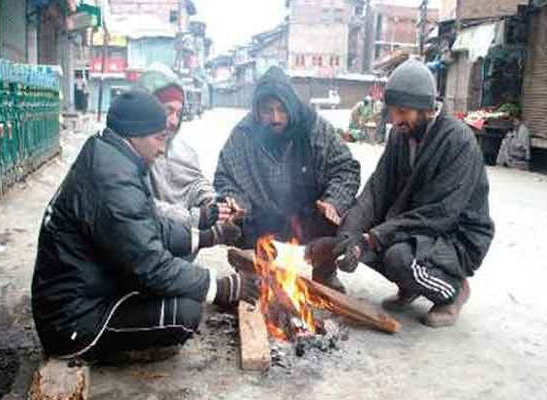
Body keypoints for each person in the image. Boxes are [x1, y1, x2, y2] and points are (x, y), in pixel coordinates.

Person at [32, 88, 260, 361]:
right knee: (185, 313)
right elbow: (150, 265)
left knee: (184, 284)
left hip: (88, 291)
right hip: (73, 323)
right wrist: (219, 287)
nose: (163, 149)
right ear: (134, 134)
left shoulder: (111, 157)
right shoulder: (113, 180)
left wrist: (210, 235)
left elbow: (152, 225)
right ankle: (107, 353)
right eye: (159, 138)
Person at [306, 59, 495, 327]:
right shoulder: (399, 136)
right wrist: (348, 235)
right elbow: (377, 189)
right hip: (416, 229)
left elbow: (440, 214)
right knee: (355, 239)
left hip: (455, 236)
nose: (395, 120)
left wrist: (373, 238)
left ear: (428, 110)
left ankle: (453, 290)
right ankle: (412, 284)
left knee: (396, 257)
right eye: (392, 111)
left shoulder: (458, 141)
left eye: (403, 112)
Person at [214, 67, 361, 293]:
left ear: (291, 106)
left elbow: (346, 168)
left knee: (340, 214)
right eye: (267, 111)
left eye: (282, 110)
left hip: (308, 214)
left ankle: (324, 270)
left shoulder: (314, 127)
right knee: (235, 219)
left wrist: (334, 201)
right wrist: (237, 203)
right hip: (264, 215)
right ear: (257, 110)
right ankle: (254, 270)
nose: (275, 118)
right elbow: (225, 177)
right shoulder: (245, 133)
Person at [139, 63, 240, 256]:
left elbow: (194, 183)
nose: (173, 121)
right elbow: (140, 207)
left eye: (178, 113)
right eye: (167, 110)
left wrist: (213, 202)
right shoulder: (128, 149)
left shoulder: (181, 149)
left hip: (175, 251)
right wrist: (198, 218)